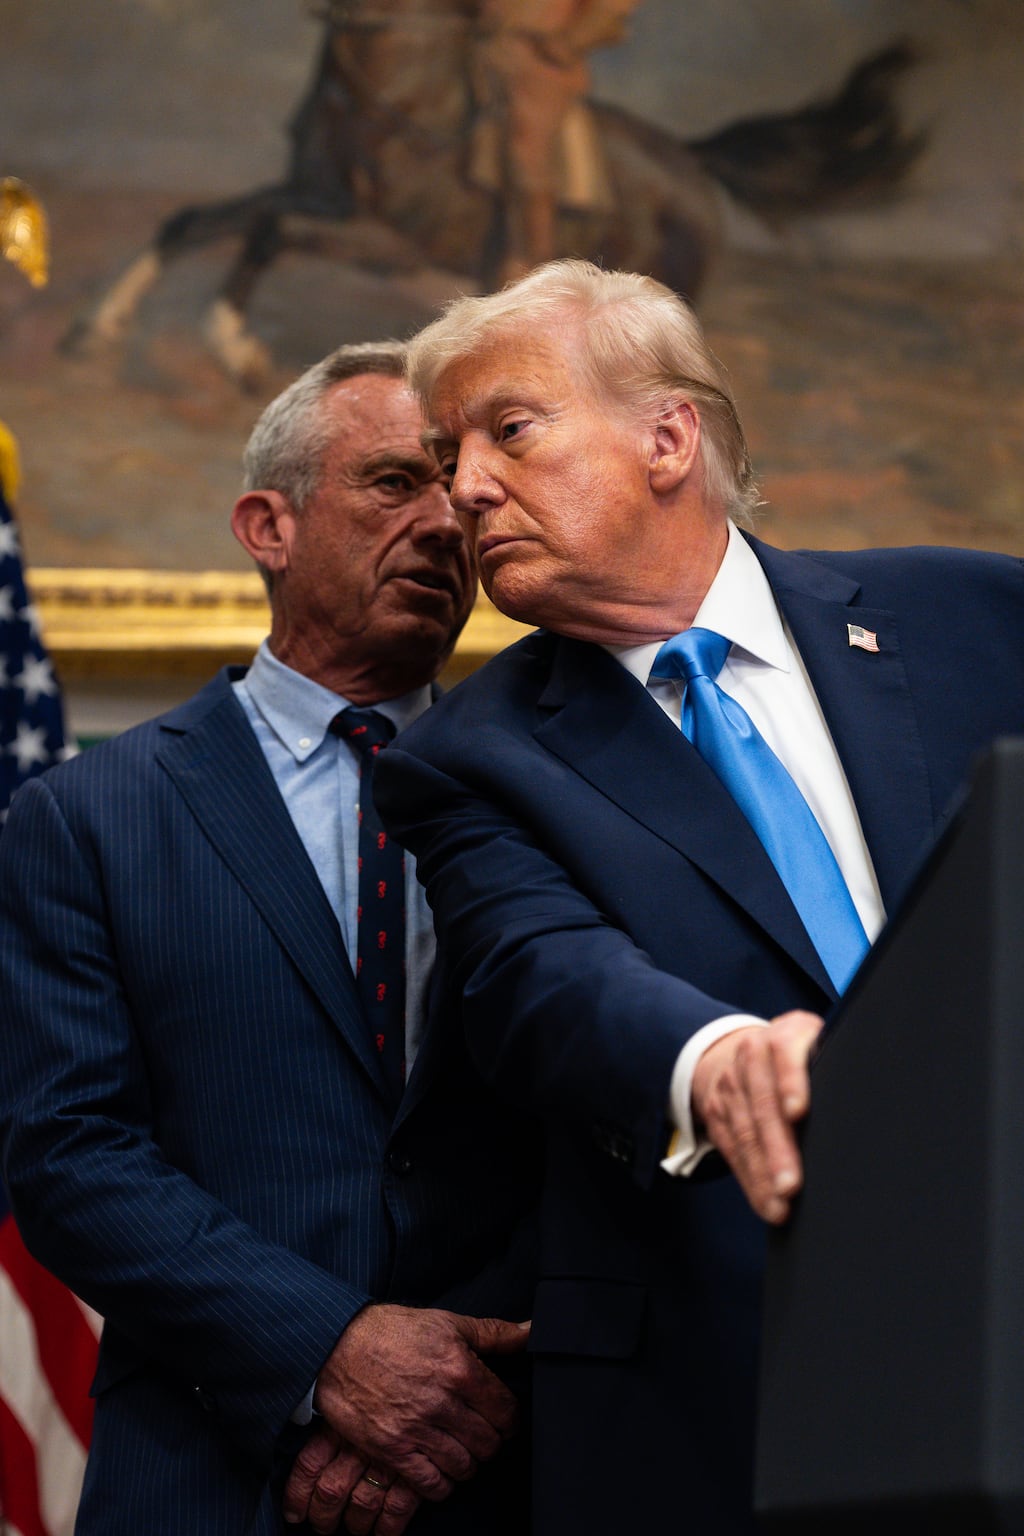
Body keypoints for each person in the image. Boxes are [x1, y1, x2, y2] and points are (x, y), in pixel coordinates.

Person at [374, 261, 1024, 1535]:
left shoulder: (982, 620)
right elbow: (538, 976)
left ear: (667, 436)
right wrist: (711, 1056)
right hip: (723, 1387)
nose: (463, 490)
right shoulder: (473, 756)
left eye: (508, 430)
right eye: (448, 456)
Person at [0, 342, 540, 1536]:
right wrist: (325, 1357)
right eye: (397, 483)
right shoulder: (89, 817)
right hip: (207, 1468)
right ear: (268, 526)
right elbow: (68, 1158)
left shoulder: (553, 794)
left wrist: (448, 1389)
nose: (448, 522)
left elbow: (593, 1132)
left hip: (496, 1465)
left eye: (460, 489)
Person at [469, 1, 643, 279]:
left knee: (527, 144)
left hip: (541, 63)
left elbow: (611, 8)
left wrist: (564, 43)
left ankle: (531, 257)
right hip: (483, 44)